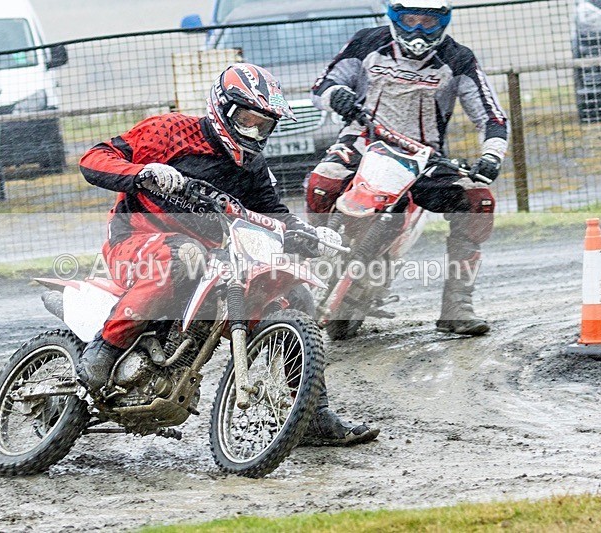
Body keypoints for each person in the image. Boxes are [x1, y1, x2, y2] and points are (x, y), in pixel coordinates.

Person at [77, 63, 379, 447]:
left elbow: (273, 215)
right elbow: (95, 157)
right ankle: (106, 347)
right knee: (183, 254)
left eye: (263, 125)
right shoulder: (169, 130)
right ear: (222, 108)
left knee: (294, 296)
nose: (254, 132)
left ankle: (310, 412)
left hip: (213, 255)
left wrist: (306, 234)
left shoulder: (252, 166)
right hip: (134, 239)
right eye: (247, 119)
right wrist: (143, 173)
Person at [305, 0, 509, 336]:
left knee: (478, 199)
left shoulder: (458, 58)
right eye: (410, 20)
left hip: (424, 158)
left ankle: (457, 305)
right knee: (322, 181)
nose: (417, 30)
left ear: (443, 21)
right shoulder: (367, 42)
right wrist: (337, 95)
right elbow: (322, 84)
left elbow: (491, 116)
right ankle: (314, 256)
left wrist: (491, 156)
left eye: (428, 22)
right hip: (362, 140)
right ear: (394, 18)